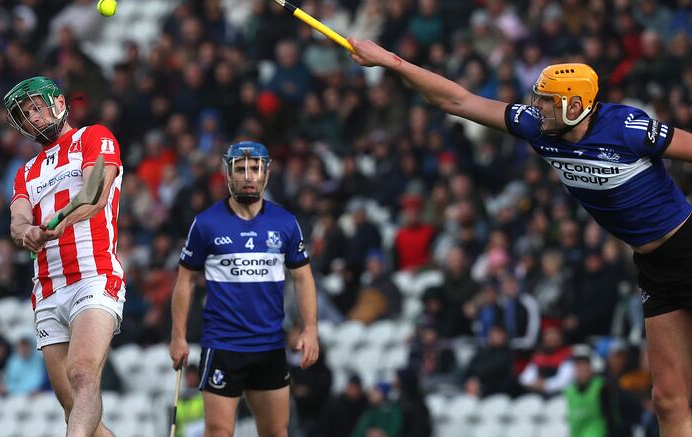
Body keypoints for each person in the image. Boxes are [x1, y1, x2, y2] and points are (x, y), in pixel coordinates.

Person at [348, 36, 692, 434]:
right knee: (667, 400)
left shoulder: (628, 129)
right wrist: (391, 63)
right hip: (654, 269)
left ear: (575, 106)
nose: (537, 107)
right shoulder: (538, 127)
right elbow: (456, 101)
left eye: (547, 100)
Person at [169, 141, 319, 436]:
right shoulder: (206, 224)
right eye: (241, 169)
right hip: (223, 345)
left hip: (270, 346)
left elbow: (304, 278)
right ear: (228, 174)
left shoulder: (285, 223)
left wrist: (310, 328)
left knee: (276, 432)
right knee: (219, 432)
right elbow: (185, 281)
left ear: (266, 173)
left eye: (254, 168)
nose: (248, 176)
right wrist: (178, 336)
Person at [6, 76, 125, 437]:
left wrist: (62, 223)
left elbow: (94, 194)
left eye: (36, 107)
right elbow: (18, 221)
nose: (33, 118)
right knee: (74, 408)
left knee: (83, 373)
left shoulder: (92, 136)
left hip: (93, 273)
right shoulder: (26, 172)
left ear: (59, 102)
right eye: (25, 114)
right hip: (46, 288)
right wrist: (27, 232)